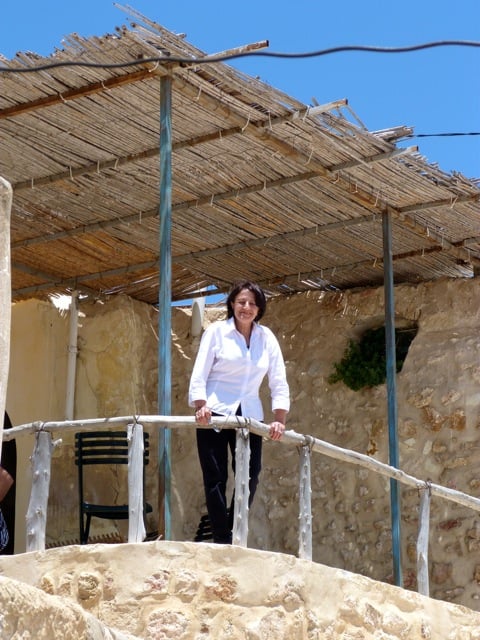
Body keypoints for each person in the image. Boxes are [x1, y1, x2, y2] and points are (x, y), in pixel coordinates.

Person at [189, 280, 290, 544]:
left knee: (250, 474)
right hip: (214, 412)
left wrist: (279, 418)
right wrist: (200, 405)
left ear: (259, 308)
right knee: (216, 477)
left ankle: (235, 531)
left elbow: (278, 379)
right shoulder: (216, 332)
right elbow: (200, 372)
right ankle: (222, 539)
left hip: (249, 416)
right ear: (232, 304)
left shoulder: (266, 338)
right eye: (241, 302)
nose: (246, 307)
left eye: (252, 303)